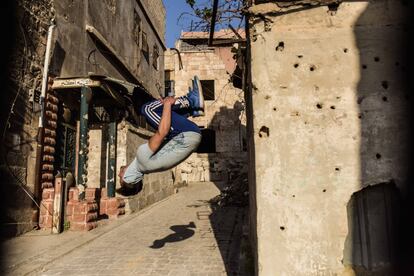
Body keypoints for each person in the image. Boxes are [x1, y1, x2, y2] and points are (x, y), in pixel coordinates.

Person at [118, 76, 205, 191]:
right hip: (186, 134)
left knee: (157, 113)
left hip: (190, 136)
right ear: (129, 178)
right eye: (121, 178)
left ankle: (191, 111)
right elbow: (162, 132)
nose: (119, 174)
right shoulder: (142, 160)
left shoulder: (147, 167)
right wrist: (167, 104)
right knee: (148, 109)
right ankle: (192, 101)